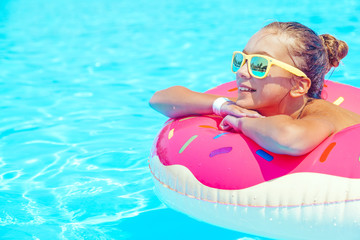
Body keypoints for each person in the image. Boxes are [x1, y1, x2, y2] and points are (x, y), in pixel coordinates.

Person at [149, 21, 360, 156]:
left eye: (259, 65)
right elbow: (159, 99)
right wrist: (222, 106)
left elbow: (290, 138)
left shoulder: (323, 115)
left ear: (298, 85)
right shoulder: (258, 98)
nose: (241, 72)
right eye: (241, 59)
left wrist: (241, 122)